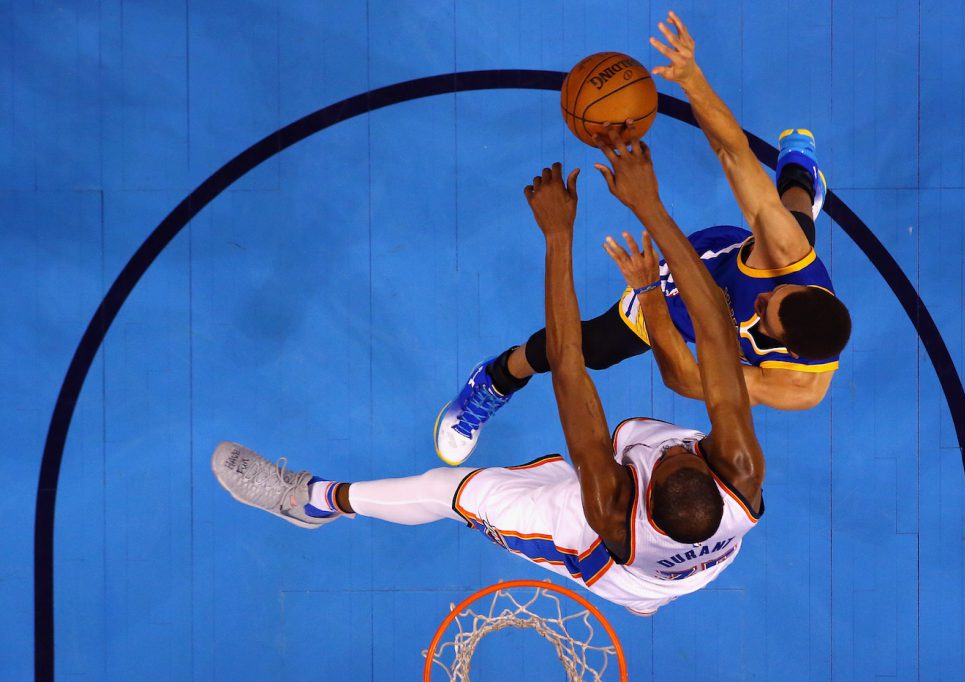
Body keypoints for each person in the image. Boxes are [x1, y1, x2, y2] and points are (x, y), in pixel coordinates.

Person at [212, 145, 767, 615]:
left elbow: (568, 363)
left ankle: (312, 502)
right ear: (712, 468)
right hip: (697, 552)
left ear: (642, 488)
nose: (669, 449)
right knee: (633, 428)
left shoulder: (607, 505)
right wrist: (649, 207)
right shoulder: (739, 471)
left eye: (664, 460)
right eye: (684, 452)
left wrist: (557, 235)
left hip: (615, 564)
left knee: (447, 489)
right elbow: (716, 330)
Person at [434, 10, 850, 466]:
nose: (761, 300)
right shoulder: (788, 262)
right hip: (711, 260)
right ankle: (798, 173)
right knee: (789, 224)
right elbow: (734, 154)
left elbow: (688, 380)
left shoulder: (797, 386)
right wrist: (692, 78)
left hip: (685, 318)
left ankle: (492, 380)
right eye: (775, 295)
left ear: (785, 346)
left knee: (589, 348)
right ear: (804, 286)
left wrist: (651, 294)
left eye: (766, 312)